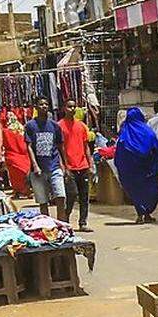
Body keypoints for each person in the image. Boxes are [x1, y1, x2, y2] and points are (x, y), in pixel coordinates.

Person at [114, 108, 158, 224]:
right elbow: (156, 147)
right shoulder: (148, 132)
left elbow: (119, 153)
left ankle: (140, 213)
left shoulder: (124, 134)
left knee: (135, 191)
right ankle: (146, 213)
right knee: (150, 190)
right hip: (148, 170)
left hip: (131, 172)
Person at [24, 97, 69, 221]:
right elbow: (29, 147)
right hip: (38, 170)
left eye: (46, 104)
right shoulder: (30, 126)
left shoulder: (55, 126)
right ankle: (47, 226)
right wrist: (35, 165)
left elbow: (60, 146)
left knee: (60, 196)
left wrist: (65, 165)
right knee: (43, 201)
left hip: (54, 167)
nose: (44, 106)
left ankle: (61, 225)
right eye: (41, 104)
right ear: (36, 107)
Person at [58, 99, 96, 232]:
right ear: (64, 108)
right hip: (70, 168)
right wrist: (64, 166)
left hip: (83, 166)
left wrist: (90, 164)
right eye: (69, 107)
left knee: (84, 196)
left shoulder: (81, 126)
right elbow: (59, 149)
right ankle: (66, 219)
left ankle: (83, 222)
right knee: (71, 194)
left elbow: (86, 147)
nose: (72, 109)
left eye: (74, 107)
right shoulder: (60, 126)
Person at [0, 111, 32, 196]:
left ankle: (17, 190)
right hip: (24, 156)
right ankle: (26, 190)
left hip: (11, 156)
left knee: (14, 176)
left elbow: (4, 144)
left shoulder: (5, 131)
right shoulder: (22, 130)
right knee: (24, 175)